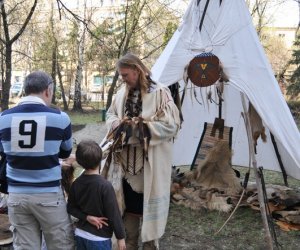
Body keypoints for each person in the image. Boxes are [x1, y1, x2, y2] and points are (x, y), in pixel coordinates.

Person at [104, 53, 180, 250]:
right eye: (121, 75)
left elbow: (172, 125)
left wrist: (141, 129)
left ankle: (149, 246)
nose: (123, 79)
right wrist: (119, 125)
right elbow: (110, 114)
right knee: (127, 214)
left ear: (137, 71)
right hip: (125, 168)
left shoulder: (160, 93)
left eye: (126, 75)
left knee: (149, 218)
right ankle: (129, 244)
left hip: (149, 167)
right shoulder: (121, 93)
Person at [0, 71, 74, 250]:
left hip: (16, 195)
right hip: (48, 195)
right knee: (59, 245)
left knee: (25, 246)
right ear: (48, 91)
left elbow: (3, 151)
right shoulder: (60, 118)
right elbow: (65, 153)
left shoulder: (3, 118)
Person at [67, 140, 126, 250]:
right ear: (100, 160)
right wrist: (121, 237)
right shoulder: (105, 186)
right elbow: (114, 214)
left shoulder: (76, 183)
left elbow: (70, 208)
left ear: (79, 162)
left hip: (80, 234)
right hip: (99, 239)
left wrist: (86, 217)